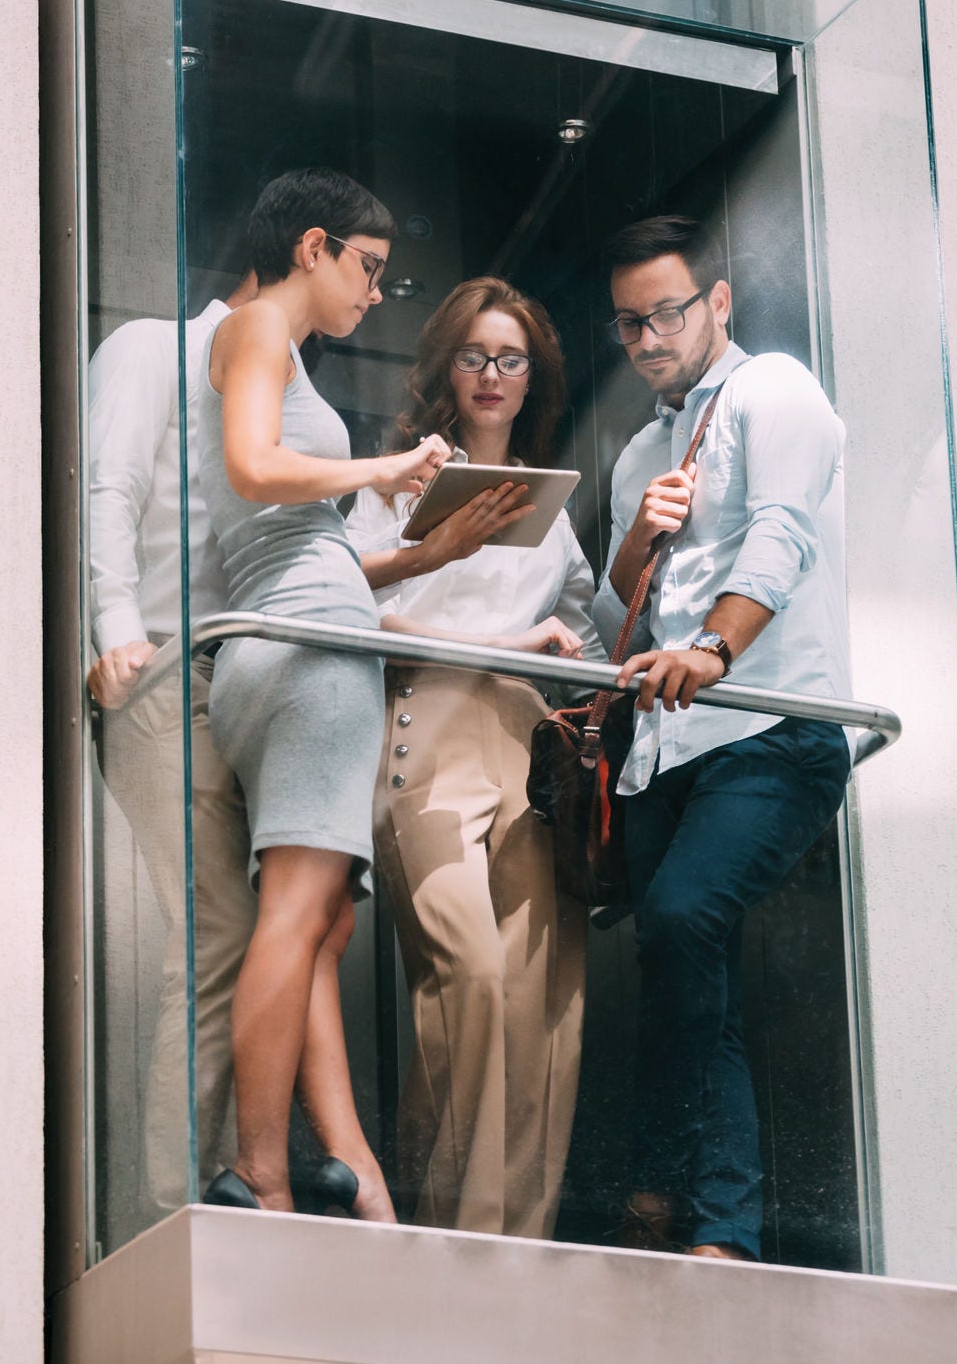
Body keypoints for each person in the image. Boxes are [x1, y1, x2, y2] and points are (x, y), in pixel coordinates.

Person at [591, 215, 851, 1262]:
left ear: (717, 302)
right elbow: (629, 612)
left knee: (685, 917)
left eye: (666, 311)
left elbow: (781, 531)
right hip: (663, 753)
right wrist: (636, 541)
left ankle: (697, 1208)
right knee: (678, 961)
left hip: (768, 728)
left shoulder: (770, 390)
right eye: (627, 323)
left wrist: (714, 648)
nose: (649, 337)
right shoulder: (635, 456)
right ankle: (698, 1222)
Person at [193, 168, 451, 1220]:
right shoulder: (257, 329)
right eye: (368, 268)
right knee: (297, 915)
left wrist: (425, 544)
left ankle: (346, 1171)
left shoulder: (263, 348)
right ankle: (262, 1173)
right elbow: (255, 468)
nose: (374, 294)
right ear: (312, 247)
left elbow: (282, 519)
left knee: (318, 924)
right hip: (307, 652)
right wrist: (376, 474)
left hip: (285, 639)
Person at [346, 276, 602, 1238]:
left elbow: (585, 631)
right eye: (474, 355)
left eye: (512, 359)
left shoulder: (555, 511)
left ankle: (514, 1247)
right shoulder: (404, 479)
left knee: (543, 1010)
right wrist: (509, 645)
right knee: (474, 978)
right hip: (427, 733)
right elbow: (353, 608)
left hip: (525, 746)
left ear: (533, 378)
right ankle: (443, 1224)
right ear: (445, 366)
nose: (493, 375)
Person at [85, 272, 259, 1208]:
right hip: (159, 670)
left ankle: (221, 1171)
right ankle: (173, 1195)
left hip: (234, 688)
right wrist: (116, 630)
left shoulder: (270, 391)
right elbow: (107, 485)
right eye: (362, 267)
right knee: (210, 932)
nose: (368, 296)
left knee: (234, 934)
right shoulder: (155, 349)